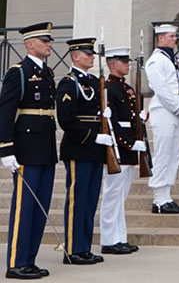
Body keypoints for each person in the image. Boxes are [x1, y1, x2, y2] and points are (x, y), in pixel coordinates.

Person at [0, 23, 57, 279]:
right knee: (24, 207)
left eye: (49, 40)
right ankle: (16, 262)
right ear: (30, 43)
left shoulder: (47, 73)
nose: (49, 44)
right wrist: (5, 148)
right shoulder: (19, 72)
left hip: (45, 146)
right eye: (44, 40)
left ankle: (29, 260)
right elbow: (5, 111)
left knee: (40, 206)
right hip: (25, 147)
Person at [55, 37, 111, 266]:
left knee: (89, 201)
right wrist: (93, 136)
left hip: (94, 150)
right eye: (87, 54)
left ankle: (84, 248)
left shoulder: (91, 82)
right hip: (79, 148)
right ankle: (71, 249)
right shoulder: (69, 83)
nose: (91, 57)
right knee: (77, 201)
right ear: (75, 56)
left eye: (92, 54)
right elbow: (66, 120)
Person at [145, 23, 179, 214]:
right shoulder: (156, 61)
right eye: (171, 37)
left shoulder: (174, 60)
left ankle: (166, 195)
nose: (175, 40)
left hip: (177, 109)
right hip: (164, 111)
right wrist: (177, 109)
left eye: (175, 37)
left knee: (174, 156)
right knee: (163, 154)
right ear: (161, 39)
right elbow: (162, 90)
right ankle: (158, 199)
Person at [100, 46, 145, 255]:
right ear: (112, 64)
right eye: (123, 61)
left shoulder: (126, 88)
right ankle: (109, 240)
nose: (127, 64)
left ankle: (120, 237)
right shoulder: (110, 88)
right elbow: (112, 122)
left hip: (129, 148)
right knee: (112, 195)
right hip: (119, 148)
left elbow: (131, 118)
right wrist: (128, 143)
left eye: (128, 61)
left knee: (121, 196)